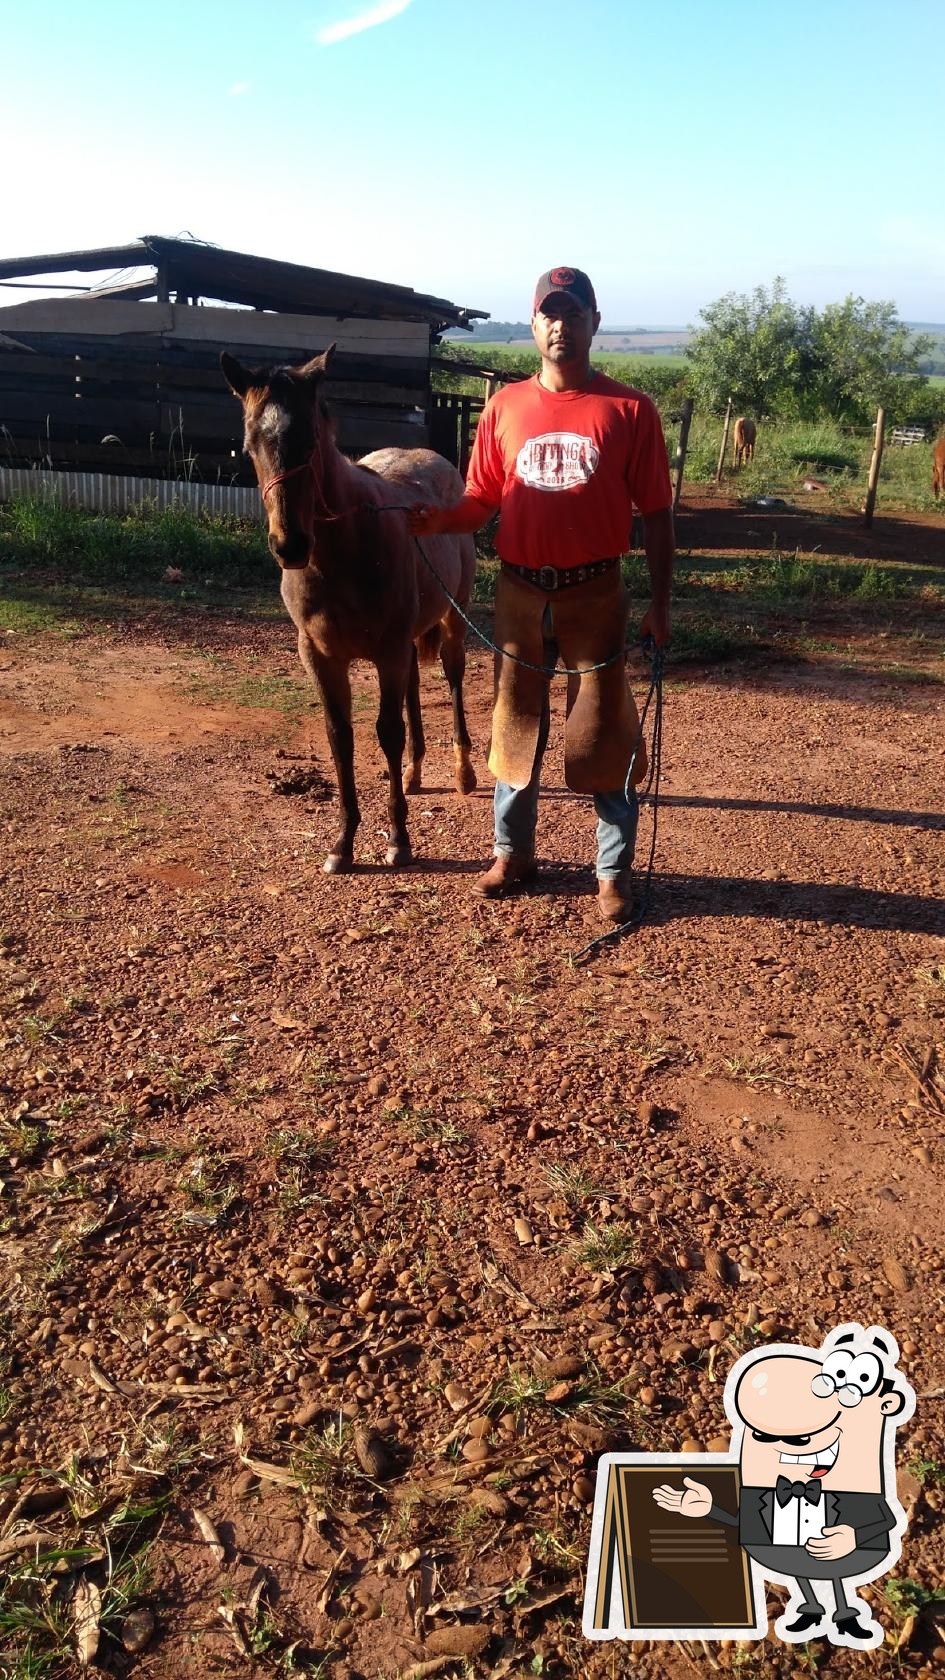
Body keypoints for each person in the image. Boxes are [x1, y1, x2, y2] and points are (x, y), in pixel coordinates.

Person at [409, 266, 674, 920]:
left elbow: (659, 515)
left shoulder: (630, 410)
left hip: (595, 596)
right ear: (533, 326)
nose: (560, 325)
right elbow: (481, 499)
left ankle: (611, 873)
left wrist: (662, 604)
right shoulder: (504, 407)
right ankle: (513, 852)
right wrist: (440, 521)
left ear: (594, 323)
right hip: (520, 597)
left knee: (605, 730)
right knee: (514, 724)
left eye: (572, 312)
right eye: (548, 314)